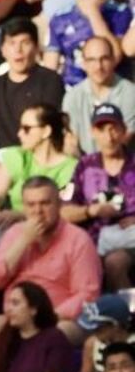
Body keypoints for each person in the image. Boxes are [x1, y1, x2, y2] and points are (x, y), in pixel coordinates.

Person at [0, 175, 102, 328]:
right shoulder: (14, 234)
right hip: (14, 319)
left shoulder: (78, 239)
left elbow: (88, 295)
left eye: (45, 203)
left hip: (58, 320)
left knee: (59, 332)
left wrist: (48, 318)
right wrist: (22, 242)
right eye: (31, 205)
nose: (38, 211)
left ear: (59, 204)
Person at [0, 18, 64, 177]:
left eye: (25, 43)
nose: (18, 50)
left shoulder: (50, 81)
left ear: (36, 48)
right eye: (11, 43)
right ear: (2, 50)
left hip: (36, 157)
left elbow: (47, 130)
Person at [66, 105, 135, 287]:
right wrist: (91, 211)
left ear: (123, 131)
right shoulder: (85, 165)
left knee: (115, 262)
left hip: (130, 241)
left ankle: (129, 313)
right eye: (102, 129)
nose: (109, 137)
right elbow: (64, 211)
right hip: (92, 240)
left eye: (114, 129)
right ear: (93, 132)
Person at [44, 0, 132, 86]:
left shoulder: (119, 12)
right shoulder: (60, 18)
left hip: (113, 89)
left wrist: (93, 13)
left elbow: (115, 55)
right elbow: (50, 66)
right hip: (73, 90)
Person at [0, 102, 77, 224]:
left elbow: (61, 211)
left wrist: (21, 216)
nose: (19, 134)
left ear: (46, 131)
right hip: (12, 228)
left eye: (26, 129)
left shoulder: (71, 168)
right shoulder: (16, 156)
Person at [62, 37, 135, 155]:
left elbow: (125, 139)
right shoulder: (72, 98)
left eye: (104, 59)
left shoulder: (130, 93)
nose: (98, 67)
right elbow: (71, 141)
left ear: (113, 60)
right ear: (84, 63)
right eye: (92, 60)